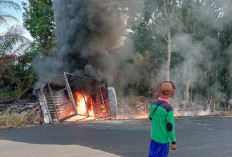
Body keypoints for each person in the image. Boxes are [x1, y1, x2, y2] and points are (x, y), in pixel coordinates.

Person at [148, 81, 177, 157]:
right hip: (163, 139)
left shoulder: (153, 104)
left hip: (154, 137)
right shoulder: (169, 109)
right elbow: (170, 126)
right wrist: (173, 141)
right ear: (170, 93)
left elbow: (150, 117)